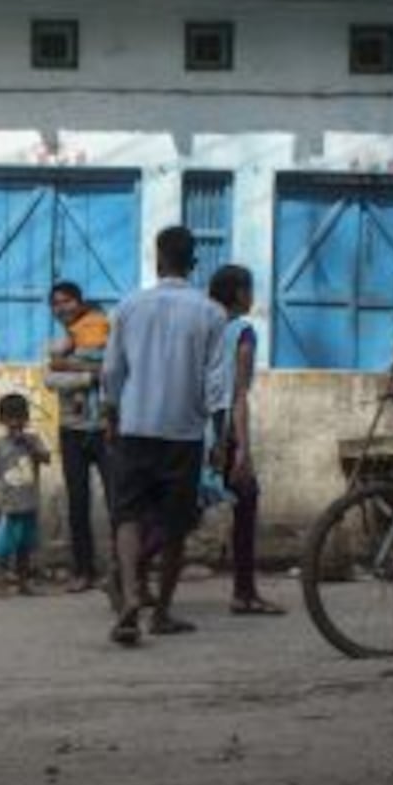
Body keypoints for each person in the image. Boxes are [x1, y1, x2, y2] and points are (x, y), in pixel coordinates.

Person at [100, 227, 228, 645]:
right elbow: (217, 384)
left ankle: (132, 597)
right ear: (194, 263)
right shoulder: (211, 313)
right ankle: (163, 613)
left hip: (135, 426)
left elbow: (112, 372)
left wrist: (110, 415)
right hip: (184, 432)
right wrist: (221, 438)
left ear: (158, 260)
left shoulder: (129, 307)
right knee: (175, 526)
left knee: (128, 516)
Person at [204, 265, 283, 616]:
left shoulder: (202, 325)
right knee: (246, 498)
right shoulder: (243, 333)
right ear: (239, 293)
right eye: (250, 290)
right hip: (222, 426)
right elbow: (238, 394)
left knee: (182, 505)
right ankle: (244, 591)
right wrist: (243, 450)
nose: (253, 298)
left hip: (191, 422)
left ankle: (131, 572)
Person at [43, 281, 111, 593]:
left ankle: (122, 568)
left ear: (80, 302)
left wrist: (71, 367)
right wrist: (87, 376)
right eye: (56, 304)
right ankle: (84, 571)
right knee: (78, 503)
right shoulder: (58, 343)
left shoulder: (104, 333)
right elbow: (50, 379)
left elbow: (113, 370)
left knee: (118, 500)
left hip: (106, 429)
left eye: (67, 301)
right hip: (72, 430)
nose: (61, 308)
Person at [0, 392, 52, 597]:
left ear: (26, 419)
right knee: (4, 547)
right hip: (8, 506)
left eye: (20, 418)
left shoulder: (34, 440)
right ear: (2, 420)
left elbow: (46, 458)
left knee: (25, 546)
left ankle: (23, 582)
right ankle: (1, 582)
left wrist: (30, 445)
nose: (15, 423)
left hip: (29, 504)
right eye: (10, 418)